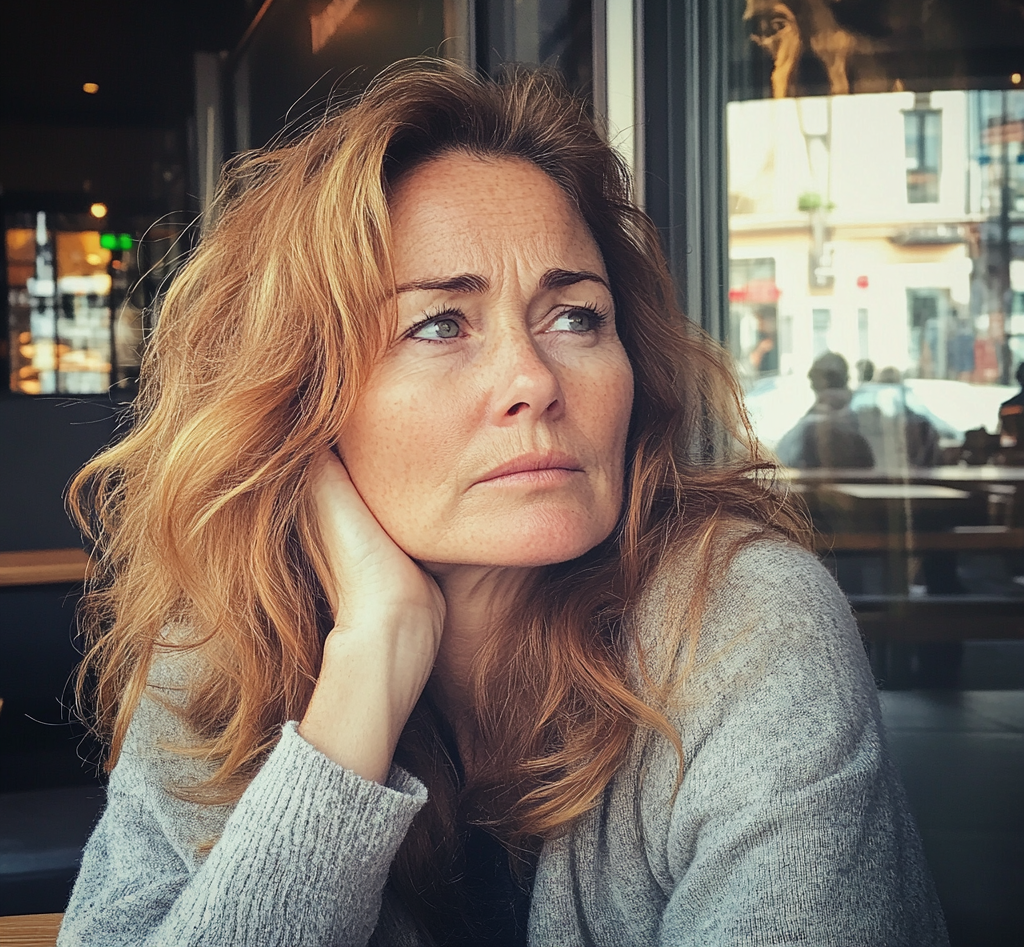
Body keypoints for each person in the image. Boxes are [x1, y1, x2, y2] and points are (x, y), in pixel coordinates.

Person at [58, 61, 947, 946]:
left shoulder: (741, 622)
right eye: (439, 324)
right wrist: (365, 677)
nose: (533, 380)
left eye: (577, 317)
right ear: (297, 403)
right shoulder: (221, 643)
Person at [775, 351, 875, 468]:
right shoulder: (869, 416)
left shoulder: (810, 424)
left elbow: (782, 458)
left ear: (818, 383)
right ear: (846, 379)